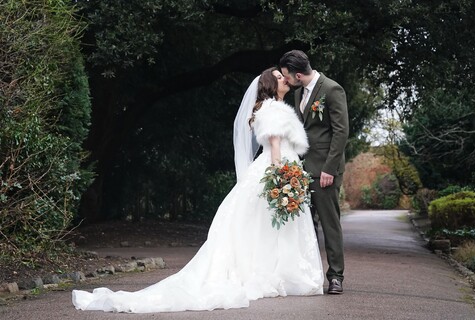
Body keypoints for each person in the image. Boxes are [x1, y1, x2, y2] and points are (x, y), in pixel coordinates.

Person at [71, 67, 324, 313]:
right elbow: (275, 145)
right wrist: (281, 176)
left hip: (277, 171)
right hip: (276, 169)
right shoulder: (274, 110)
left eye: (284, 76)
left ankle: (274, 271)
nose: (285, 80)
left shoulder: (269, 109)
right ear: (270, 84)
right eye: (279, 77)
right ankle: (273, 273)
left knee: (264, 227)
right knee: (268, 226)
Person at [279, 50, 349, 294]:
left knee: (330, 223)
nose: (286, 81)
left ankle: (336, 276)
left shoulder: (332, 89)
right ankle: (307, 274)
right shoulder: (298, 93)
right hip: (301, 170)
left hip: (326, 170)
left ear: (299, 74)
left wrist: (329, 168)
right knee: (305, 225)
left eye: (288, 77)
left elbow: (341, 132)